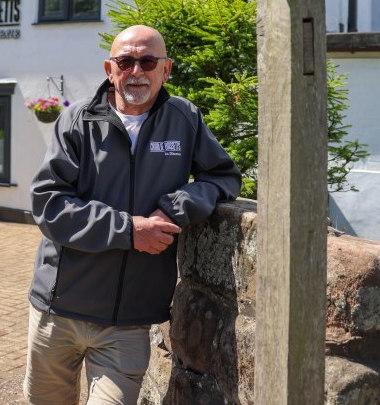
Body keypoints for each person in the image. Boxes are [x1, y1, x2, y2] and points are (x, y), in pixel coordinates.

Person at [24, 25, 241, 405]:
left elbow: (221, 176)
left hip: (127, 323)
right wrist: (129, 230)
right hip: (58, 312)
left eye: (147, 61)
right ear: (110, 69)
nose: (136, 71)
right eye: (125, 61)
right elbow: (49, 204)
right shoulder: (76, 121)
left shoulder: (184, 119)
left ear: (166, 69)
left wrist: (177, 206)